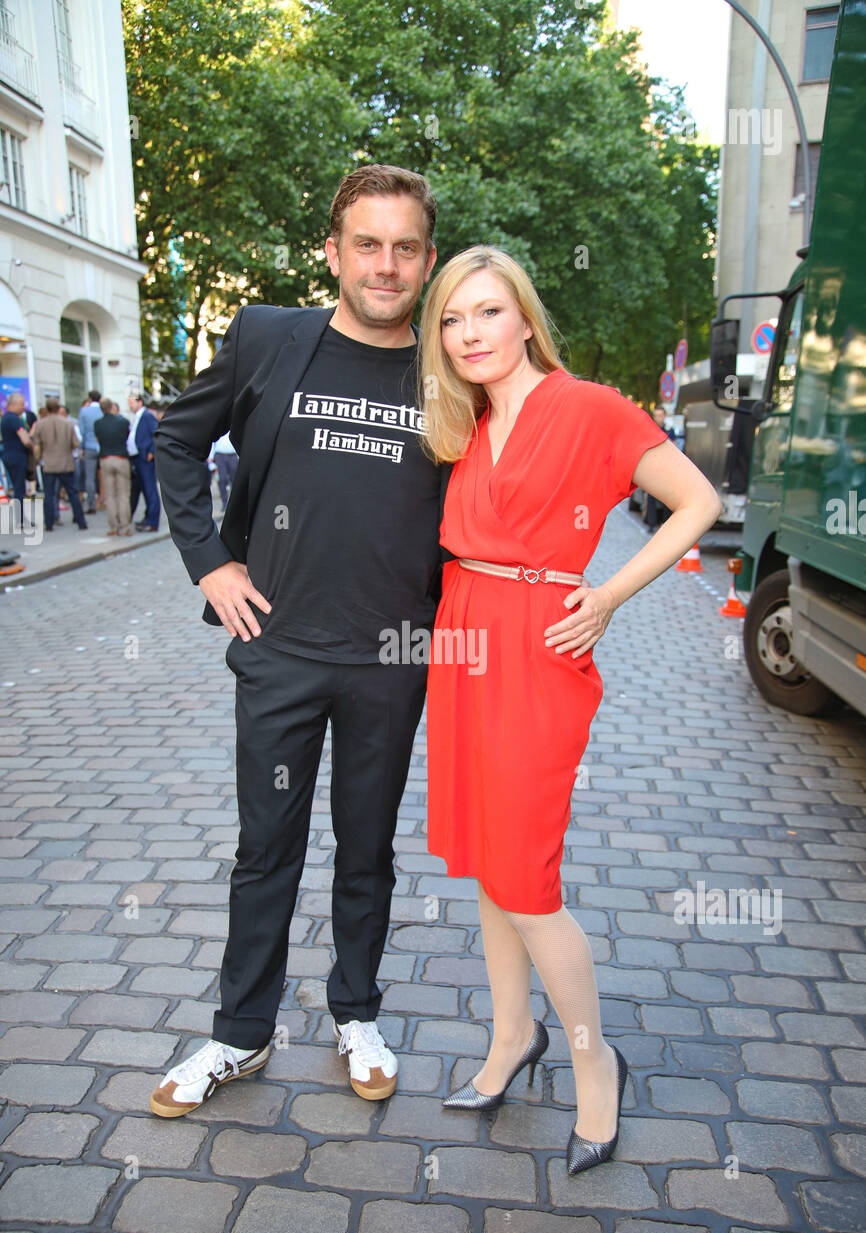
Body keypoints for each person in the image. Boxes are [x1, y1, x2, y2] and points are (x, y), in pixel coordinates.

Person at [150, 164, 452, 1118]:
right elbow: (174, 442)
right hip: (280, 647)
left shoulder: (451, 368)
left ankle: (356, 1014)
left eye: (405, 246)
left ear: (428, 259)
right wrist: (210, 562)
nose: (386, 264)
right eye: (368, 243)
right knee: (265, 847)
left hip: (394, 656)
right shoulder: (267, 339)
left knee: (367, 848)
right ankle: (241, 1033)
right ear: (334, 252)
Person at [420, 246, 721, 1174]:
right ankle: (512, 1039)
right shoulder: (464, 424)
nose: (470, 333)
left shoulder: (590, 407)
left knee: (527, 876)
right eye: (452, 319)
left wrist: (606, 596)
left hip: (541, 649)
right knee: (483, 861)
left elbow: (697, 502)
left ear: (524, 319)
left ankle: (598, 1068)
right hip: (463, 638)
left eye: (487, 313)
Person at [29, 396, 88, 532]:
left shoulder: (40, 424)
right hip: (66, 463)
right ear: (58, 408)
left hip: (48, 463)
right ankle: (81, 521)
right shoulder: (68, 424)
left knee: (49, 494)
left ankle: (49, 523)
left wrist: (38, 459)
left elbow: (36, 444)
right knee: (73, 493)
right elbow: (75, 443)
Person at [93, 397, 133, 535]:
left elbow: (98, 439)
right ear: (111, 407)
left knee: (110, 495)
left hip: (105, 458)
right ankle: (125, 526)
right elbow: (127, 436)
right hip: (121, 458)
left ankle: (113, 526)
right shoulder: (122, 422)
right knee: (123, 494)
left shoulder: (98, 424)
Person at [127, 391, 160, 530]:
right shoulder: (137, 417)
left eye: (132, 402)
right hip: (137, 458)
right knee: (143, 490)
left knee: (150, 490)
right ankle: (147, 518)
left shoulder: (146, 416)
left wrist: (151, 452)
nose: (130, 405)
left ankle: (152, 522)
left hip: (144, 458)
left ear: (140, 402)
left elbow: (156, 433)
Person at [643, 406, 677, 530]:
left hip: (666, 467)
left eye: (661, 415)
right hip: (652, 467)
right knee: (651, 497)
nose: (659, 417)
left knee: (667, 497)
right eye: (656, 415)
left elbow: (674, 447)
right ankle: (651, 524)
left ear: (664, 416)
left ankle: (665, 524)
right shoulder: (650, 428)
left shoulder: (669, 430)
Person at [1, 392, 32, 508]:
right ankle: (21, 520)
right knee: (20, 489)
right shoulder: (15, 419)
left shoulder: (5, 418)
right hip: (17, 457)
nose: (24, 407)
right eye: (22, 404)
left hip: (8, 455)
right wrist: (32, 444)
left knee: (17, 487)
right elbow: (25, 440)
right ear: (13, 404)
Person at [78, 389, 103, 514]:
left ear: (89, 398)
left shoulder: (84, 411)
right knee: (104, 476)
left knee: (90, 477)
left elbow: (81, 431)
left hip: (89, 446)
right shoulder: (104, 410)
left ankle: (92, 504)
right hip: (103, 447)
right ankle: (103, 500)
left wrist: (82, 447)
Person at [208, 430, 239, 511]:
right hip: (220, 455)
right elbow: (212, 441)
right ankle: (225, 503)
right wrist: (210, 457)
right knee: (222, 479)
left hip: (232, 455)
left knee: (235, 480)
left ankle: (237, 503)